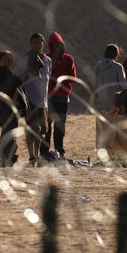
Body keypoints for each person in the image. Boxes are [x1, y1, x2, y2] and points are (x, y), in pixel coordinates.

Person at [15, 33, 52, 166]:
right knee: (32, 129)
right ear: (31, 44)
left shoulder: (48, 60)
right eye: (34, 43)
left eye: (39, 42)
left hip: (43, 101)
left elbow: (47, 79)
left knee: (42, 130)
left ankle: (36, 154)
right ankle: (32, 156)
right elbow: (19, 77)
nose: (37, 45)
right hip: (30, 100)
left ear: (43, 44)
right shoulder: (25, 59)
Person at [41, 31, 77, 160]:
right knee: (47, 127)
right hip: (49, 98)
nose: (57, 47)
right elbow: (43, 77)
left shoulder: (68, 59)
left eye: (59, 45)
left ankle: (59, 151)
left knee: (60, 127)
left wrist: (60, 79)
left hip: (63, 98)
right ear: (51, 46)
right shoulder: (46, 58)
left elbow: (73, 77)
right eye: (55, 45)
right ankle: (44, 152)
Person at [0, 50, 23, 167]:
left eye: (9, 60)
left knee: (10, 132)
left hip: (9, 108)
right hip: (3, 108)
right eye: (4, 60)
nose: (7, 62)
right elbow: (0, 88)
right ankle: (6, 158)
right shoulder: (1, 72)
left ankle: (9, 157)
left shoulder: (9, 73)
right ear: (0, 61)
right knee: (8, 132)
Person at [93, 44, 127, 150]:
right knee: (115, 129)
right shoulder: (118, 67)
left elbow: (95, 84)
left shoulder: (98, 66)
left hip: (100, 102)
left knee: (101, 129)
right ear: (116, 55)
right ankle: (113, 153)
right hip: (114, 102)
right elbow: (124, 85)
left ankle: (102, 152)